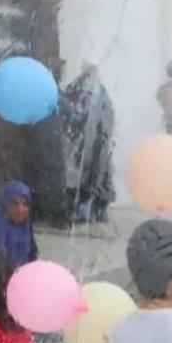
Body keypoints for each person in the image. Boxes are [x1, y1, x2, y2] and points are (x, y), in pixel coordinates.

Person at [62, 65, 116, 234]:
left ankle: (92, 207)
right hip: (86, 142)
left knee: (95, 173)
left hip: (95, 142)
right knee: (83, 173)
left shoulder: (99, 95)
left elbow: (103, 121)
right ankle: (85, 207)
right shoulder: (79, 91)